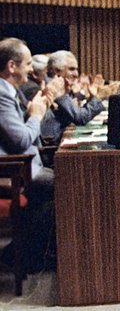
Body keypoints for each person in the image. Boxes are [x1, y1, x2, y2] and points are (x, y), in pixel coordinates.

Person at [0, 38, 62, 274]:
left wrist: (32, 113)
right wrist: (35, 115)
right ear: (11, 66)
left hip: (23, 166)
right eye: (27, 64)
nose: (31, 69)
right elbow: (20, 140)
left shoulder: (9, 91)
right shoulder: (2, 94)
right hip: (14, 170)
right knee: (66, 185)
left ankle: (28, 251)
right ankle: (30, 255)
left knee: (61, 181)